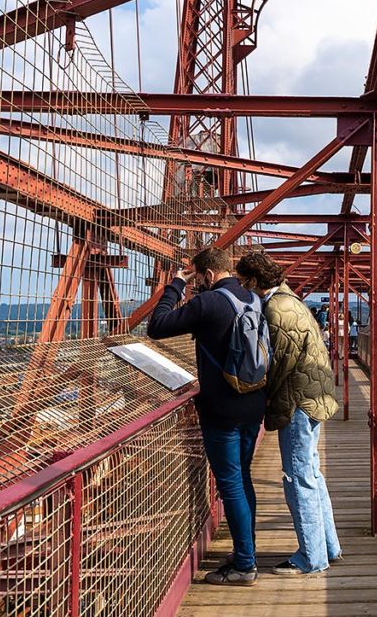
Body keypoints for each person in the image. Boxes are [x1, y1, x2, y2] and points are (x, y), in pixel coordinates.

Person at [147, 248, 264, 587]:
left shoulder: (208, 302)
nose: (198, 284)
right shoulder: (253, 299)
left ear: (209, 275)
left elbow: (157, 326)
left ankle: (244, 565)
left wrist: (175, 286)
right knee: (243, 480)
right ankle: (247, 551)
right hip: (252, 403)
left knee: (230, 485)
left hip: (222, 410)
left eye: (199, 279)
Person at [236, 252, 343, 575]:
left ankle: (311, 558)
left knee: (298, 478)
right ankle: (328, 547)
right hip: (313, 395)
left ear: (254, 281)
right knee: (311, 473)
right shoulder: (289, 299)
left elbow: (278, 364)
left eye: (243, 282)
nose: (242, 287)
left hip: (298, 400)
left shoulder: (276, 307)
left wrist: (259, 395)